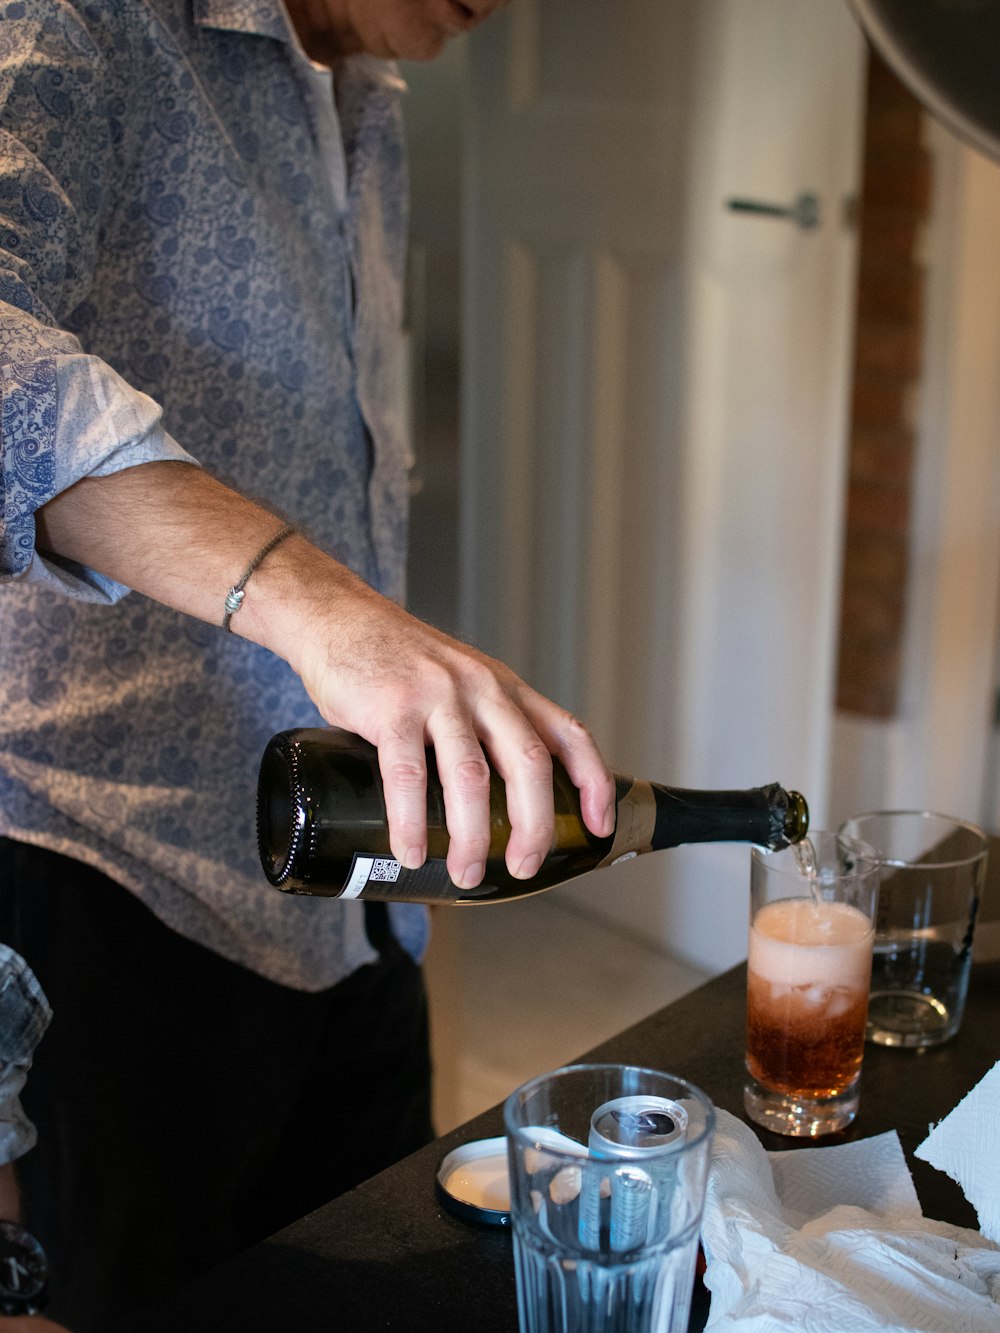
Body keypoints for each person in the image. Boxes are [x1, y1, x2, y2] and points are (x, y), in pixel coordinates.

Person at [0, 1, 615, 1328]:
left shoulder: (362, 88)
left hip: (350, 890)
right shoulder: (78, 23)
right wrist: (316, 607)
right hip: (113, 878)